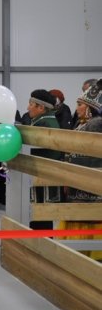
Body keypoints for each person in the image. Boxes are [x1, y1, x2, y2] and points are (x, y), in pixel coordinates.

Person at [61, 80, 102, 260]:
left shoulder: (96, 124)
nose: (76, 108)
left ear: (90, 108)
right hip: (78, 179)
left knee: (87, 216)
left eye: (80, 105)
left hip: (88, 182)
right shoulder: (82, 124)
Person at [27, 89, 62, 230]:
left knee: (40, 217)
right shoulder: (46, 120)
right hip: (45, 173)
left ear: (41, 107)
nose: (28, 108)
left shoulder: (44, 124)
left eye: (31, 104)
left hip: (42, 174)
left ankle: (40, 241)